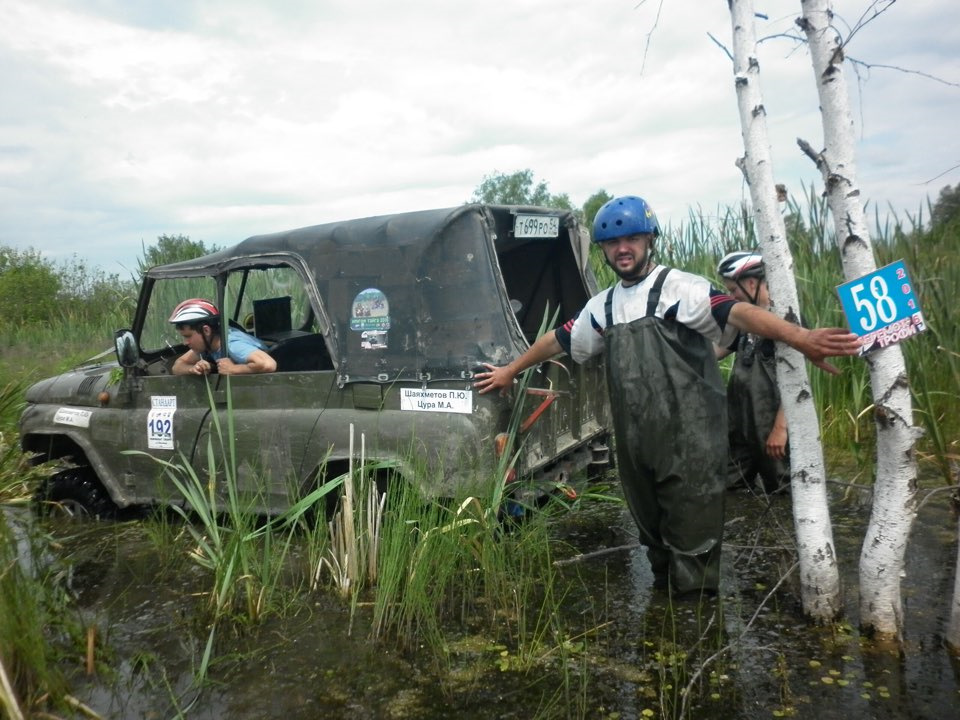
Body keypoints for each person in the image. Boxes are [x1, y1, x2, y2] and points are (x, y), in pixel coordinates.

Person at [474, 196, 860, 597]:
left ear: (649, 240)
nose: (623, 249)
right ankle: (665, 615)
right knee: (653, 539)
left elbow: (736, 313)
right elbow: (559, 339)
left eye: (633, 239)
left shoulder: (681, 288)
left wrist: (801, 337)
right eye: (612, 243)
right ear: (604, 250)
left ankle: (697, 628)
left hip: (691, 442)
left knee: (694, 543)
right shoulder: (603, 307)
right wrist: (509, 370)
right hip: (637, 445)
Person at [716, 251, 789, 494]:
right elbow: (715, 351)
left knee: (781, 491)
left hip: (772, 430)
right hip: (741, 426)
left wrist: (781, 429)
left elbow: (800, 384)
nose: (730, 297)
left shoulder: (786, 320)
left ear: (750, 284)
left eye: (733, 290)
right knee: (731, 486)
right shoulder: (744, 323)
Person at [169, 298, 277, 376]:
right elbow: (177, 366)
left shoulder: (232, 344)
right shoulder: (207, 344)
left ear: (206, 330)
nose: (185, 342)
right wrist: (194, 369)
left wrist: (233, 369)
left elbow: (268, 364)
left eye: (188, 336)